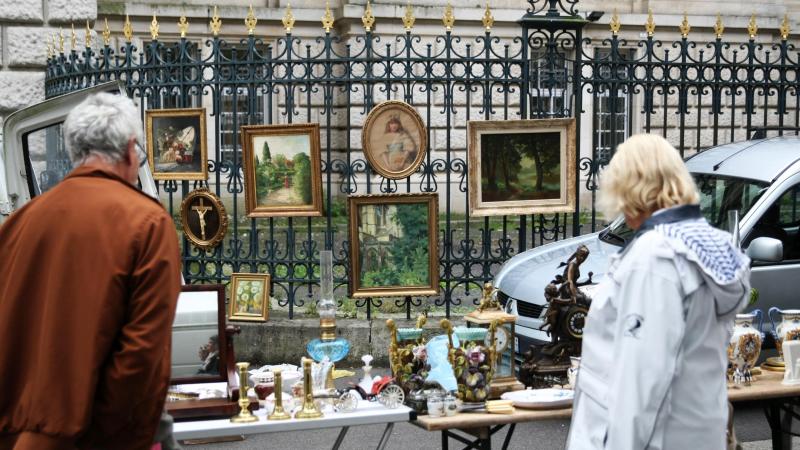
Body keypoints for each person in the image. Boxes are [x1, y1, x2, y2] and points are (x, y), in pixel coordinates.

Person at [0, 93, 182, 450]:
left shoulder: (21, 221)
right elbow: (141, 354)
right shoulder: (146, 222)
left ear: (75, 151)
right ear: (131, 150)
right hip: (95, 436)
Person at [566, 134, 751, 450]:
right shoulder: (708, 244)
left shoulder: (655, 256)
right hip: (696, 432)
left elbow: (641, 379)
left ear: (631, 189)